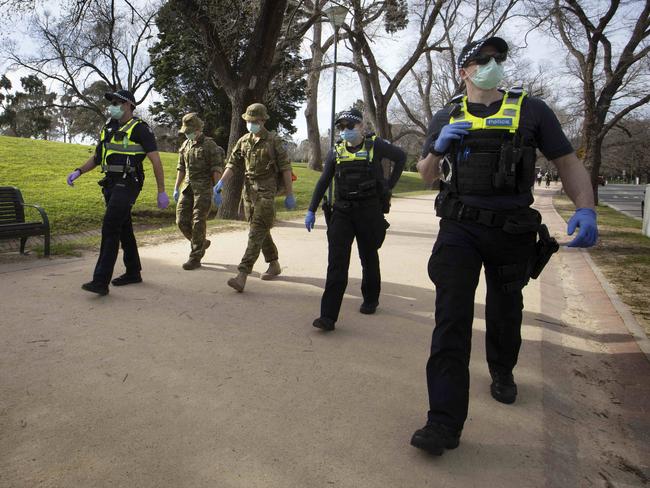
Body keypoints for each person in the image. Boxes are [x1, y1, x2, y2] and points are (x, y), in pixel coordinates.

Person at [411, 37, 598, 455]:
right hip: (459, 229)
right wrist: (438, 149)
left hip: (511, 230)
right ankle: (442, 422)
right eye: (482, 60)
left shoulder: (531, 110)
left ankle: (502, 369)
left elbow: (567, 160)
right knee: (451, 321)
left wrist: (585, 208)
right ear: (464, 70)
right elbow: (425, 174)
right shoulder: (446, 114)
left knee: (505, 310)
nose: (493, 65)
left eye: (498, 59)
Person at [304, 108, 406, 331]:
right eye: (341, 127)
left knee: (368, 256)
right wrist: (311, 209)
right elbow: (323, 182)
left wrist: (388, 186)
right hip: (342, 212)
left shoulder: (375, 146)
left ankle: (371, 299)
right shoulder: (336, 152)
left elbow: (401, 158)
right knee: (337, 262)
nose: (345, 131)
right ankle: (328, 316)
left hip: (369, 211)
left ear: (361, 126)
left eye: (350, 126)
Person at [66, 89, 169, 296]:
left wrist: (161, 191)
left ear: (129, 105)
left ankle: (100, 281)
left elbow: (156, 161)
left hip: (129, 181)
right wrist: (78, 171)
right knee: (123, 227)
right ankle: (133, 272)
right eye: (111, 102)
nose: (112, 105)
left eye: (117, 102)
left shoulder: (140, 129)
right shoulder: (108, 127)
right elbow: (97, 158)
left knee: (110, 225)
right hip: (110, 183)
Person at [214, 102, 296, 292]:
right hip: (248, 191)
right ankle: (274, 263)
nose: (250, 124)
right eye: (248, 121)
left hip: (267, 192)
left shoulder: (273, 141)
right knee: (259, 229)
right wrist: (221, 183)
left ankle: (242, 274)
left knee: (256, 231)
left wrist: (289, 194)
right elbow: (232, 164)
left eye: (254, 121)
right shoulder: (243, 140)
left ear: (262, 120)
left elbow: (285, 168)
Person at [173, 113, 225, 270]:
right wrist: (176, 187)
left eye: (189, 130)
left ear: (197, 129)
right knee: (181, 221)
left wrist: (217, 190)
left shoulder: (210, 146)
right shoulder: (185, 145)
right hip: (187, 188)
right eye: (185, 131)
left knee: (198, 221)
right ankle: (201, 242)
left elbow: (216, 169)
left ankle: (195, 257)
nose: (187, 133)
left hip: (203, 189)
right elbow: (181, 168)